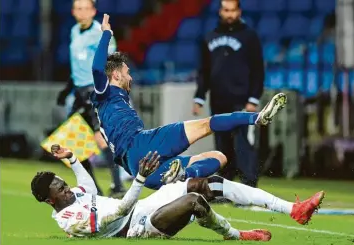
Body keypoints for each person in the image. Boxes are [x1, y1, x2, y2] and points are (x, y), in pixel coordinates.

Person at [90, 14, 287, 190]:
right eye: (127, 73)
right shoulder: (104, 92)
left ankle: (184, 174)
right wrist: (106, 34)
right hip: (141, 142)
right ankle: (256, 117)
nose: (131, 77)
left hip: (139, 167)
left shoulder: (115, 98)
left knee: (219, 158)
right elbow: (98, 69)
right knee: (207, 124)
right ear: (115, 75)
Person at [30, 144, 325, 240]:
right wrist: (141, 178)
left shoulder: (75, 197)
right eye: (60, 186)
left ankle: (293, 210)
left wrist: (71, 160)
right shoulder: (71, 219)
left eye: (63, 181)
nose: (66, 186)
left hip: (141, 208)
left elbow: (90, 188)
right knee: (194, 201)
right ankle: (236, 236)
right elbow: (119, 212)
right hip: (138, 227)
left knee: (209, 184)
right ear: (48, 199)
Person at [55, 0, 124, 197]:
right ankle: (94, 189)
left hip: (95, 91)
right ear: (73, 11)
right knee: (75, 143)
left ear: (93, 11)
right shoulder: (74, 31)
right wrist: (68, 88)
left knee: (101, 139)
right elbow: (78, 66)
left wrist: (107, 89)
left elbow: (112, 62)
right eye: (79, 8)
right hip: (78, 92)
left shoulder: (101, 33)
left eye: (86, 8)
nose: (82, 12)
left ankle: (117, 185)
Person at [193, 0, 265, 187]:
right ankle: (225, 187)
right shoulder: (209, 37)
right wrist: (200, 97)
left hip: (242, 100)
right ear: (220, 11)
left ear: (239, 11)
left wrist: (253, 98)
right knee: (222, 145)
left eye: (233, 10)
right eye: (226, 10)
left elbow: (258, 69)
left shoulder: (249, 36)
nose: (230, 14)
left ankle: (249, 186)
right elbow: (205, 70)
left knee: (243, 145)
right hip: (218, 100)